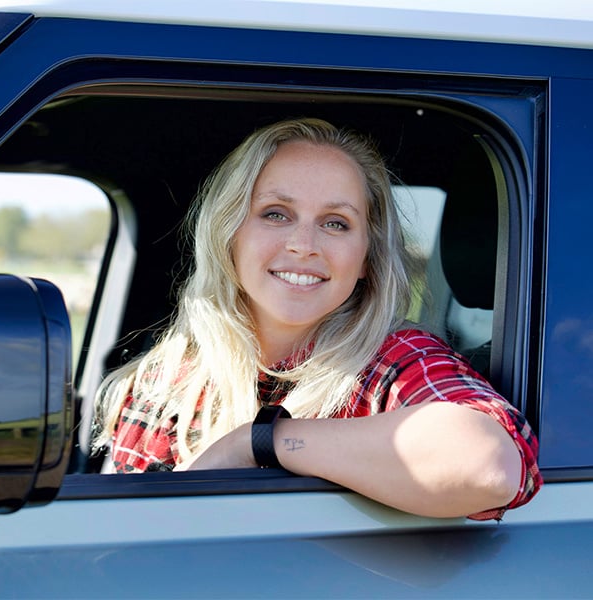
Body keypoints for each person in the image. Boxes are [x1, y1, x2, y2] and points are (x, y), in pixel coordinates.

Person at [93, 117, 542, 520]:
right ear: (228, 234)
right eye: (276, 214)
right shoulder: (162, 380)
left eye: (336, 223)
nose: (303, 244)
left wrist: (257, 442)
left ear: (367, 257)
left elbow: (489, 464)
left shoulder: (392, 363)